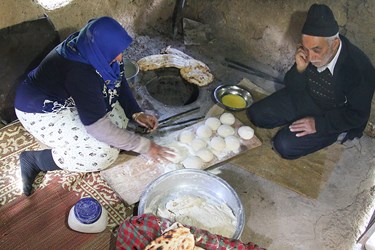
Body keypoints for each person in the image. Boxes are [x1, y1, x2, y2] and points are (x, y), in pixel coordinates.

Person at [14, 16, 174, 196]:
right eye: (116, 53)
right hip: (39, 111)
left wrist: (135, 113)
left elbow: (118, 79)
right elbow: (98, 127)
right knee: (102, 152)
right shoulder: (79, 72)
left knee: (120, 121)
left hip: (67, 95)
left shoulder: (94, 47)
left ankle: (108, 135)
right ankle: (36, 160)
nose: (120, 57)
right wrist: (145, 146)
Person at [247, 4, 375, 160]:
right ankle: (296, 121)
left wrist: (318, 125)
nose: (311, 57)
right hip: (306, 97)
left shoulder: (358, 69)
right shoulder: (309, 51)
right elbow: (293, 87)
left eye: (316, 50)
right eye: (306, 48)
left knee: (284, 145)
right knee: (256, 115)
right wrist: (299, 70)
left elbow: (357, 116)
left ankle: (329, 134)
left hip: (333, 114)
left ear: (334, 44)